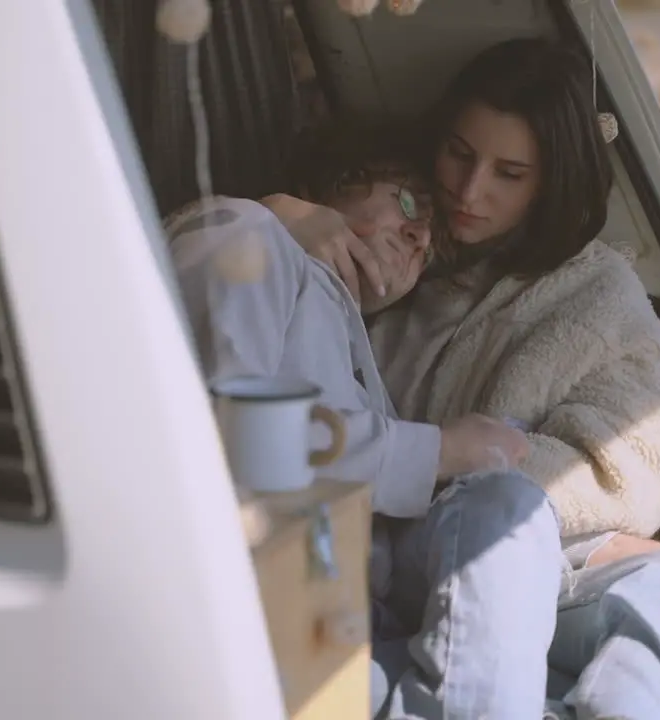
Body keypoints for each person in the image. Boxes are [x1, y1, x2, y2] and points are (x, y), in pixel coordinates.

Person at [262, 38, 660, 719]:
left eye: (509, 173)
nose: (470, 192)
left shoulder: (598, 303)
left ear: (550, 180)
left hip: (550, 571)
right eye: (460, 155)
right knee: (507, 510)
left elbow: (609, 484)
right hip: (410, 571)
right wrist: (283, 212)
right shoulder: (383, 244)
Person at [165, 119, 573, 718]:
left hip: (357, 631)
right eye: (408, 202)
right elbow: (228, 440)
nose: (415, 235)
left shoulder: (362, 357)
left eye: (427, 247)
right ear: (335, 185)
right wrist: (439, 451)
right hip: (258, 623)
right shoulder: (247, 232)